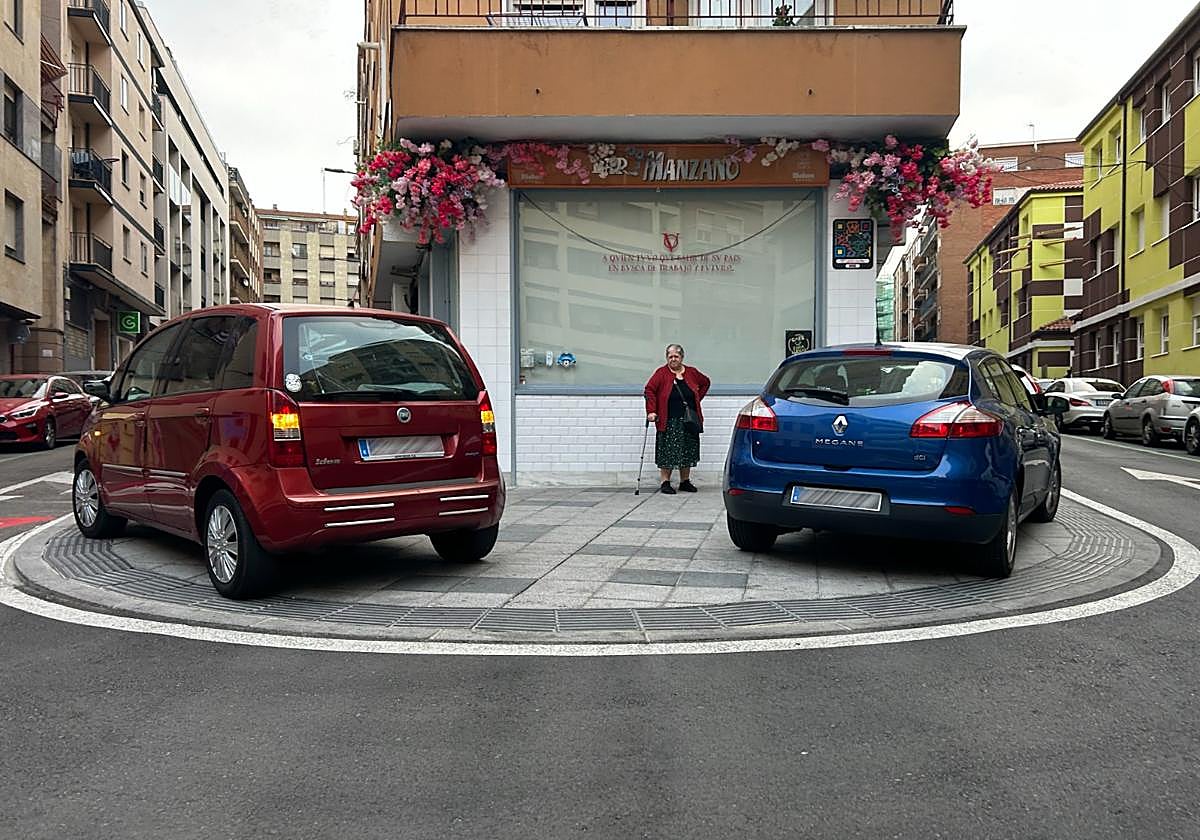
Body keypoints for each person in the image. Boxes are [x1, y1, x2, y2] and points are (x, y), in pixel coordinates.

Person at [644, 344, 711, 495]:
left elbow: (705, 382)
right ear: (666, 358)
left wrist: (696, 398)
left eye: (676, 356)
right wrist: (652, 411)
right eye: (670, 357)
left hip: (689, 420)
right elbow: (649, 390)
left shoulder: (692, 372)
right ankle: (665, 482)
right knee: (667, 452)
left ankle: (684, 481)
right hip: (669, 420)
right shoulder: (661, 373)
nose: (673, 359)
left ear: (682, 357)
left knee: (687, 450)